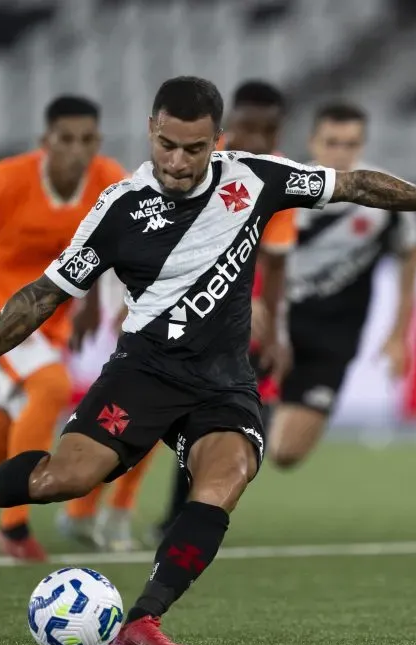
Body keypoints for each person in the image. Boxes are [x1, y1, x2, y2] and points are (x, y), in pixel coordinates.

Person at [0, 76, 416, 645]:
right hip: (145, 372)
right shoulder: (119, 208)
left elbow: (355, 184)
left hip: (223, 381)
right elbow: (41, 297)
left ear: (218, 140)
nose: (179, 162)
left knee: (228, 473)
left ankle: (143, 619)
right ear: (151, 134)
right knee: (62, 478)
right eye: (167, 146)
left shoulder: (257, 178)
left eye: (193, 148)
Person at [0, 96, 143, 560]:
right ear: (46, 142)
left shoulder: (108, 179)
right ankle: (14, 527)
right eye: (65, 139)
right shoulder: (6, 179)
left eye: (86, 140)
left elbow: (122, 245)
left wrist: (97, 302)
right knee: (50, 385)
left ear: (97, 143)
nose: (76, 151)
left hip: (49, 324)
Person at [149, 80, 296, 542]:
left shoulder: (277, 175)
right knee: (167, 417)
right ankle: (132, 512)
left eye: (266, 130)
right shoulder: (200, 164)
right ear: (228, 128)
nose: (255, 139)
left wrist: (275, 332)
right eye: (247, 128)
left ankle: (180, 516)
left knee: (218, 423)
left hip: (234, 318)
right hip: (182, 307)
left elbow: (275, 262)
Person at [266, 101, 416, 468]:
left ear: (362, 146)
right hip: (278, 327)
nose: (339, 152)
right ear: (313, 142)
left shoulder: (385, 196)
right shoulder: (284, 192)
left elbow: (412, 255)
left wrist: (399, 334)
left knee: (285, 453)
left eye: (350, 144)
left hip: (335, 340)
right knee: (230, 435)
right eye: (331, 142)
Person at [55, 270, 154, 552]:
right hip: (138, 283)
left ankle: (97, 510)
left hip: (172, 288)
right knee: (136, 410)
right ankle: (95, 509)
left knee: (156, 412)